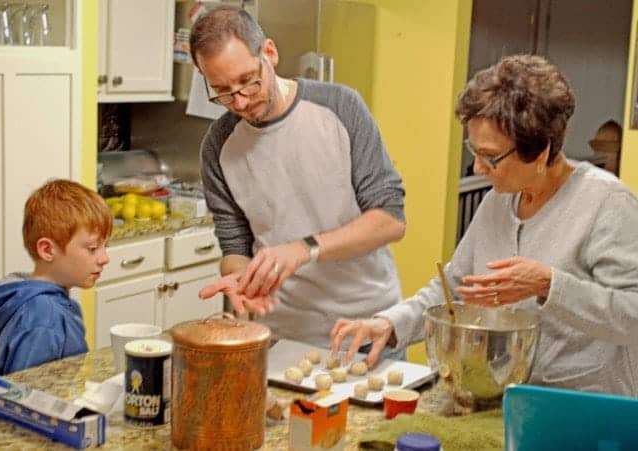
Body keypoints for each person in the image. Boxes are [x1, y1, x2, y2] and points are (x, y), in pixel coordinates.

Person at [331, 54, 638, 397]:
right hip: (505, 396)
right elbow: (458, 286)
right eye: (472, 150)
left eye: (490, 156)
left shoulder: (607, 204)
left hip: (585, 409)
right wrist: (389, 324)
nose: (477, 168)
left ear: (540, 152)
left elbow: (633, 315)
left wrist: (549, 285)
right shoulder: (499, 199)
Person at [191, 5, 406, 350]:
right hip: (279, 335)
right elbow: (235, 246)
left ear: (270, 53)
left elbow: (390, 221)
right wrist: (240, 278)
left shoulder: (340, 107)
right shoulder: (218, 146)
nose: (241, 101)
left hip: (364, 329)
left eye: (248, 80)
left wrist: (305, 249)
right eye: (223, 91)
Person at [0, 179, 112, 375]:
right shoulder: (43, 317)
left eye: (105, 246)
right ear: (47, 250)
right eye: (92, 248)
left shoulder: (34, 299)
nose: (105, 259)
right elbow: (25, 395)